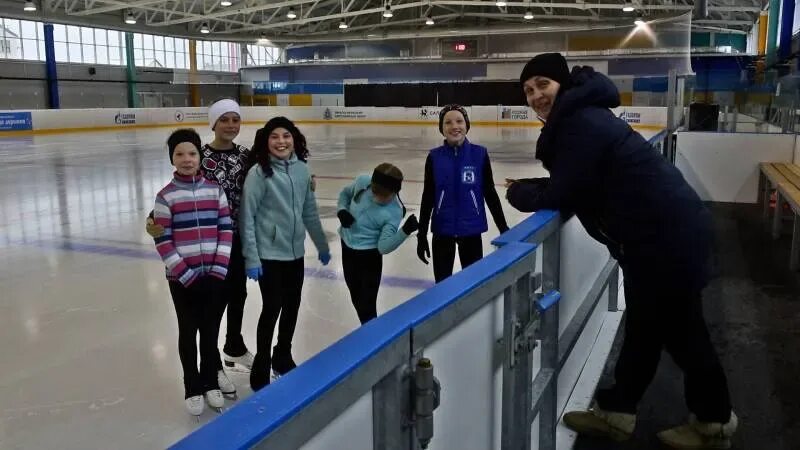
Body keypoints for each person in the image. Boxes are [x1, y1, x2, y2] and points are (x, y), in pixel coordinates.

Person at [507, 52, 736, 449]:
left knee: (685, 336)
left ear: (562, 85)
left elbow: (563, 192)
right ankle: (618, 411)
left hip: (664, 241)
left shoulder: (578, 124)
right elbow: (577, 179)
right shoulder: (582, 118)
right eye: (528, 90)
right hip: (657, 238)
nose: (535, 96)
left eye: (542, 85)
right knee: (646, 331)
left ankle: (714, 422)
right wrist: (537, 184)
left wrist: (517, 191)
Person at [146, 98, 251, 399]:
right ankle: (212, 368)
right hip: (195, 247)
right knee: (206, 314)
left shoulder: (245, 156)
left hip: (230, 239)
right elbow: (170, 203)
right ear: (213, 123)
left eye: (235, 119)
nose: (230, 125)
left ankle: (230, 348)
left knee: (236, 295)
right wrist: (153, 222)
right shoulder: (199, 156)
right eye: (224, 119)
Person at [239, 116, 331, 391]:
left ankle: (282, 355)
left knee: (292, 306)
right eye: (275, 137)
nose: (281, 141)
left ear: (295, 139)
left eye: (286, 136)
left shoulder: (301, 169)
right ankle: (262, 363)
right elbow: (247, 216)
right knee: (271, 309)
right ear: (266, 142)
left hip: (295, 254)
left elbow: (309, 211)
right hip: (269, 256)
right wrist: (252, 258)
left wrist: (321, 244)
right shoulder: (259, 173)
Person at [152, 129, 232, 417]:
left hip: (213, 277)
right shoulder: (165, 197)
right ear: (172, 158)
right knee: (188, 332)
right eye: (179, 154)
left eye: (192, 153)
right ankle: (192, 385)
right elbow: (162, 239)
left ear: (200, 156)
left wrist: (218, 269)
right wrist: (185, 275)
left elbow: (225, 229)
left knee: (210, 332)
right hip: (182, 281)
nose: (186, 159)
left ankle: (210, 380)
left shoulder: (215, 190)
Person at [416, 104, 509, 282]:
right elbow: (428, 197)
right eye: (448, 123)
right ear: (441, 129)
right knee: (442, 287)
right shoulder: (434, 157)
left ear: (467, 125)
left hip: (471, 231)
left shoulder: (479, 154)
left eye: (459, 121)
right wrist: (421, 235)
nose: (454, 126)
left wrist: (503, 228)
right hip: (442, 232)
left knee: (473, 284)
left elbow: (489, 192)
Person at [337, 163, 419, 324]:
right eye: (375, 192)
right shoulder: (362, 182)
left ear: (395, 192)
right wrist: (342, 210)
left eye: (384, 195)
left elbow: (383, 247)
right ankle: (368, 333)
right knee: (356, 298)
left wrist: (405, 231)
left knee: (367, 305)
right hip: (347, 248)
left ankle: (372, 338)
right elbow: (345, 194)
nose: (377, 198)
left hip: (369, 258)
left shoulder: (393, 212)